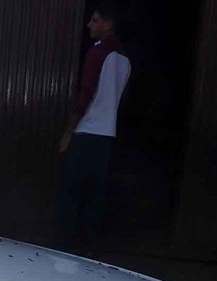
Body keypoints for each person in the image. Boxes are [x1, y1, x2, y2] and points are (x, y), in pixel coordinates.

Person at [54, 4, 131, 255]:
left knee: (70, 191)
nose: (89, 25)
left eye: (94, 20)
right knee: (95, 195)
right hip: (106, 136)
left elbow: (86, 94)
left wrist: (67, 133)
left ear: (108, 24)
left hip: (86, 132)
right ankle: (89, 250)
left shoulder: (97, 53)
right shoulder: (125, 60)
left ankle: (64, 250)